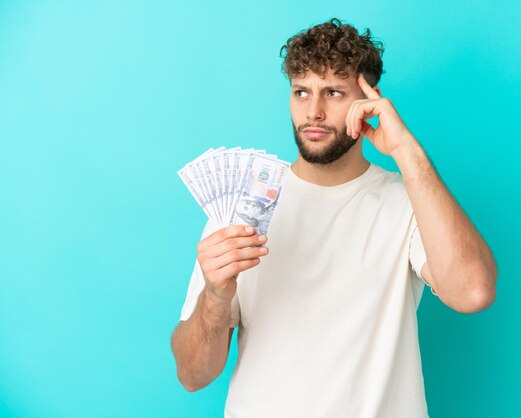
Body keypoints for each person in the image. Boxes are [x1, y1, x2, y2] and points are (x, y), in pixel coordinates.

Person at [170, 17, 498, 418]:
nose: (314, 111)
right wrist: (216, 295)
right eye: (301, 91)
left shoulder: (409, 200)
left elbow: (473, 292)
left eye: (334, 92)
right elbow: (192, 375)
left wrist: (406, 151)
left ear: (368, 99)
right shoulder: (239, 207)